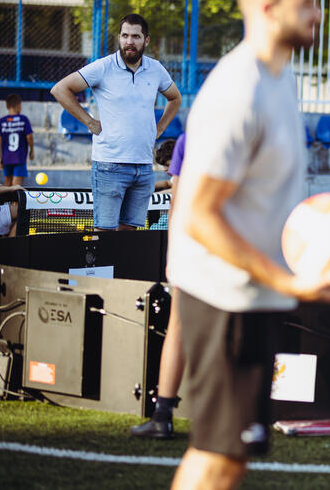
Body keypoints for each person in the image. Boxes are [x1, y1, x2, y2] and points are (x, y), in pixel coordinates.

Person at [166, 0, 330, 490]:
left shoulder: (279, 78)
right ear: (268, 5)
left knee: (232, 454)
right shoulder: (240, 88)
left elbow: (266, 201)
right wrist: (285, 280)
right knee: (217, 455)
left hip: (252, 297)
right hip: (226, 297)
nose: (318, 15)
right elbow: (199, 214)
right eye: (307, 2)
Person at [51, 13, 182, 231]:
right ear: (119, 38)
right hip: (109, 165)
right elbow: (60, 89)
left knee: (129, 235)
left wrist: (160, 128)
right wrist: (89, 122)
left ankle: (121, 268)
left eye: (136, 36)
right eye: (125, 35)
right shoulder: (103, 67)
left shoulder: (156, 69)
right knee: (104, 235)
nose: (129, 41)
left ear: (146, 40)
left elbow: (175, 98)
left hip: (143, 167)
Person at [130, 133, 185, 439]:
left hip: (197, 249)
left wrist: (173, 255)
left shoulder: (192, 140)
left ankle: (163, 414)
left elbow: (177, 200)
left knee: (179, 328)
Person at [0, 94, 34, 187]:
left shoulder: (2, 121)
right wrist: (32, 150)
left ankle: (5, 201)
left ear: (7, 106)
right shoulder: (23, 119)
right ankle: (14, 202)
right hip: (19, 157)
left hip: (6, 157)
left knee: (7, 183)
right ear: (19, 105)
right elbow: (29, 137)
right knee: (16, 185)